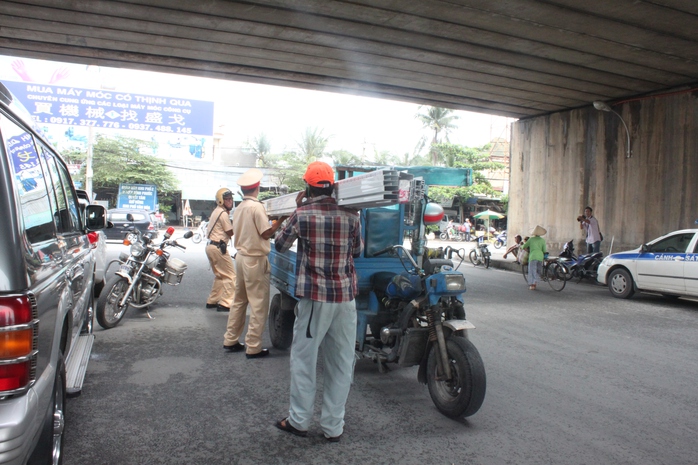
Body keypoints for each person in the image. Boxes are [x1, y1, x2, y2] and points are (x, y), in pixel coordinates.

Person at [274, 161, 363, 443]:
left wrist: (295, 209)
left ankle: (299, 421)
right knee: (341, 362)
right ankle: (333, 427)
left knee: (304, 360)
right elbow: (358, 251)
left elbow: (279, 244)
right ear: (333, 185)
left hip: (315, 300)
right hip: (345, 299)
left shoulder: (302, 214)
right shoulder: (352, 215)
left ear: (308, 187)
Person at [223, 168, 286, 358]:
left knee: (239, 301)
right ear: (257, 187)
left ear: (244, 190)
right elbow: (266, 233)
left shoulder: (240, 207)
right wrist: (281, 219)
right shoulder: (257, 207)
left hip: (241, 257)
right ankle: (253, 346)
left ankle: (231, 339)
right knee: (258, 304)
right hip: (255, 260)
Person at [204, 188, 236, 312]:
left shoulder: (217, 211)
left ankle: (212, 300)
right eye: (227, 199)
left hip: (211, 247)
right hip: (218, 247)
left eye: (231, 199)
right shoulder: (223, 214)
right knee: (230, 275)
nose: (230, 201)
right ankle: (226, 303)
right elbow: (230, 232)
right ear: (221, 201)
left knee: (220, 275)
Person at [522, 226, 547, 290]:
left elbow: (524, 246)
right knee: (538, 270)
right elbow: (544, 250)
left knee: (532, 270)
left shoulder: (531, 239)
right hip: (540, 257)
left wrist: (523, 247)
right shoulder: (542, 240)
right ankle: (535, 281)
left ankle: (533, 284)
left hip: (533, 256)